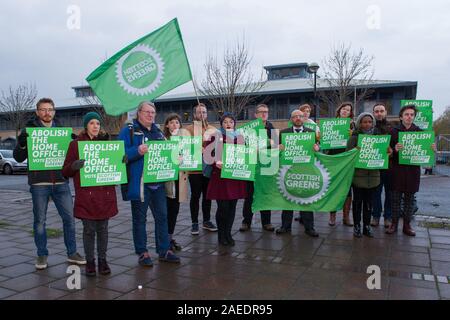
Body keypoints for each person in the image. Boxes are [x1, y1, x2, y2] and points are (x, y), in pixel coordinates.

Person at [13, 97, 86, 270]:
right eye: (43, 110)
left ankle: (72, 252)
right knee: (40, 221)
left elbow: (74, 154)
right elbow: (18, 157)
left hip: (61, 182)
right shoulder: (29, 130)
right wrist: (22, 144)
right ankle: (42, 255)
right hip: (39, 183)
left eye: (50, 109)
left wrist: (76, 141)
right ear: (37, 112)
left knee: (69, 219)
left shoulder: (62, 131)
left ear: (54, 112)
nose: (47, 113)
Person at [118, 101, 180, 266]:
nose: (150, 115)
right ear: (139, 113)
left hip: (158, 184)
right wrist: (137, 151)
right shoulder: (129, 131)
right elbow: (120, 156)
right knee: (140, 219)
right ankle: (142, 252)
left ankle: (164, 250)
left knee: (162, 217)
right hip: (140, 184)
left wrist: (176, 158)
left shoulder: (158, 132)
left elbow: (167, 155)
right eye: (147, 112)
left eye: (153, 112)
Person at [62, 112, 118, 276]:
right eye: (92, 123)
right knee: (88, 230)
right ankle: (90, 262)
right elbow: (65, 171)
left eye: (98, 123)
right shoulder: (76, 145)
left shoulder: (106, 144)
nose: (95, 126)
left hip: (105, 195)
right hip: (87, 196)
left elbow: (115, 168)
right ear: (86, 125)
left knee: (103, 229)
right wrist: (74, 166)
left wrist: (122, 161)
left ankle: (102, 260)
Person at [386, 104, 436, 236]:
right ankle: (394, 224)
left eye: (412, 115)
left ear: (414, 117)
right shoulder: (393, 131)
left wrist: (431, 149)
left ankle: (407, 225)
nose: (409, 117)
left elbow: (426, 153)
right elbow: (387, 153)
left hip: (412, 172)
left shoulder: (420, 133)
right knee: (395, 200)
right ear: (401, 117)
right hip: (396, 171)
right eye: (406, 114)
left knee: (409, 200)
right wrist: (394, 150)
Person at [275, 109, 320, 237]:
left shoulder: (311, 133)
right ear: (291, 119)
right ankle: (285, 226)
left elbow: (317, 149)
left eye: (300, 116)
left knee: (306, 199)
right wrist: (278, 149)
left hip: (306, 171)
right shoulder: (283, 133)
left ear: (303, 118)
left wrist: (317, 148)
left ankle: (309, 227)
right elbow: (277, 152)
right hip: (289, 171)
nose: (298, 118)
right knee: (287, 199)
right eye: (295, 117)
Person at [205, 113, 247, 246]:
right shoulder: (215, 137)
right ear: (221, 124)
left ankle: (228, 233)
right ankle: (221, 235)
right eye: (225, 122)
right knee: (222, 208)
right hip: (220, 178)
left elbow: (246, 154)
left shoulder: (240, 138)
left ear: (234, 123)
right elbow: (207, 153)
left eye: (231, 122)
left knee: (232, 207)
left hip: (234, 177)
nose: (228, 124)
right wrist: (215, 162)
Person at [346, 112, 382, 237]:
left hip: (373, 177)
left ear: (373, 123)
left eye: (370, 122)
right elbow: (347, 155)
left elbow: (384, 154)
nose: (367, 124)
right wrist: (355, 151)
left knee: (369, 204)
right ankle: (357, 226)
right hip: (358, 177)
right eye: (364, 122)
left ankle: (366, 226)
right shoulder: (354, 138)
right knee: (357, 203)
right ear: (359, 124)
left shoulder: (379, 137)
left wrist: (388, 151)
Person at [240, 103, 274, 232]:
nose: (264, 114)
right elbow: (241, 145)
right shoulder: (249, 128)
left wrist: (272, 143)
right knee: (249, 196)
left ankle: (267, 222)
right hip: (252, 166)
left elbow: (277, 146)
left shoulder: (271, 127)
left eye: (266, 111)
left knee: (265, 193)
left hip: (266, 166)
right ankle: (246, 221)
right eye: (261, 112)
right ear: (255, 114)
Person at [185, 103, 218, 235]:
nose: (202, 115)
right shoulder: (188, 130)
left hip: (209, 168)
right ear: (194, 114)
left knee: (207, 196)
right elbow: (184, 147)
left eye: (204, 112)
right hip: (195, 169)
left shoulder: (213, 129)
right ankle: (194, 223)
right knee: (195, 196)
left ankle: (206, 220)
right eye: (199, 112)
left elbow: (218, 147)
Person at [163, 113, 188, 251]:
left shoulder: (184, 140)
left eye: (177, 123)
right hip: (167, 182)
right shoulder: (163, 140)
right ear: (167, 125)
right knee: (166, 212)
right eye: (172, 122)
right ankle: (164, 239)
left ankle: (169, 237)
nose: (174, 125)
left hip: (180, 181)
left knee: (175, 211)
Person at [327, 102, 355, 227]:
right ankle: (332, 216)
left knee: (347, 189)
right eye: (344, 109)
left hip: (347, 160)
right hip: (333, 158)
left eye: (348, 110)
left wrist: (351, 135)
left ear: (350, 113)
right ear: (339, 110)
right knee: (333, 188)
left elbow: (357, 141)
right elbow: (324, 142)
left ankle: (346, 217)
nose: (345, 111)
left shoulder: (353, 125)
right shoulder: (330, 123)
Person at [371, 102, 393, 228]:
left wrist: (392, 152)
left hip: (390, 167)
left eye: (381, 111)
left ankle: (388, 217)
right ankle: (376, 216)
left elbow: (397, 147)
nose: (379, 113)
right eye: (377, 111)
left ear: (385, 112)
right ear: (374, 113)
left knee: (389, 193)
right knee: (376, 193)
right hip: (375, 166)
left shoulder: (392, 128)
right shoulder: (370, 128)